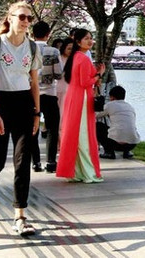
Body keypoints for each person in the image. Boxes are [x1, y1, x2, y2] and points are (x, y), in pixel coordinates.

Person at [0, 1, 42, 237]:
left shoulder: (32, 47)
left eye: (28, 18)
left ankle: (20, 216)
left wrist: (36, 113)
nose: (25, 21)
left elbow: (35, 82)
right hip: (0, 103)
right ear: (10, 18)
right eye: (21, 16)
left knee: (23, 163)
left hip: (24, 105)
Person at [56, 29, 105, 183]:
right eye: (86, 39)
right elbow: (85, 82)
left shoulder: (76, 57)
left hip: (74, 97)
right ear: (78, 42)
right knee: (83, 135)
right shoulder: (82, 58)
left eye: (91, 38)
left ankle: (77, 171)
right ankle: (87, 172)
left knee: (76, 135)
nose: (90, 41)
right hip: (82, 99)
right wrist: (99, 74)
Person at [30, 21, 62, 173]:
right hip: (49, 93)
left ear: (32, 33)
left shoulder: (27, 48)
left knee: (32, 128)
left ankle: (36, 162)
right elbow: (58, 73)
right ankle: (51, 161)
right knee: (52, 128)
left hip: (30, 93)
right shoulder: (53, 51)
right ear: (48, 34)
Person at [95, 85, 140, 159]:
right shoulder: (130, 107)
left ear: (112, 97)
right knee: (125, 127)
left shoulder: (110, 105)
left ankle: (109, 152)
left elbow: (96, 115)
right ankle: (127, 152)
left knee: (97, 126)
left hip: (115, 144)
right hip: (132, 143)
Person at [56, 38, 74, 115]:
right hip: (59, 89)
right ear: (64, 48)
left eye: (72, 49)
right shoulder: (58, 58)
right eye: (69, 48)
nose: (70, 51)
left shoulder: (75, 59)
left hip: (71, 90)